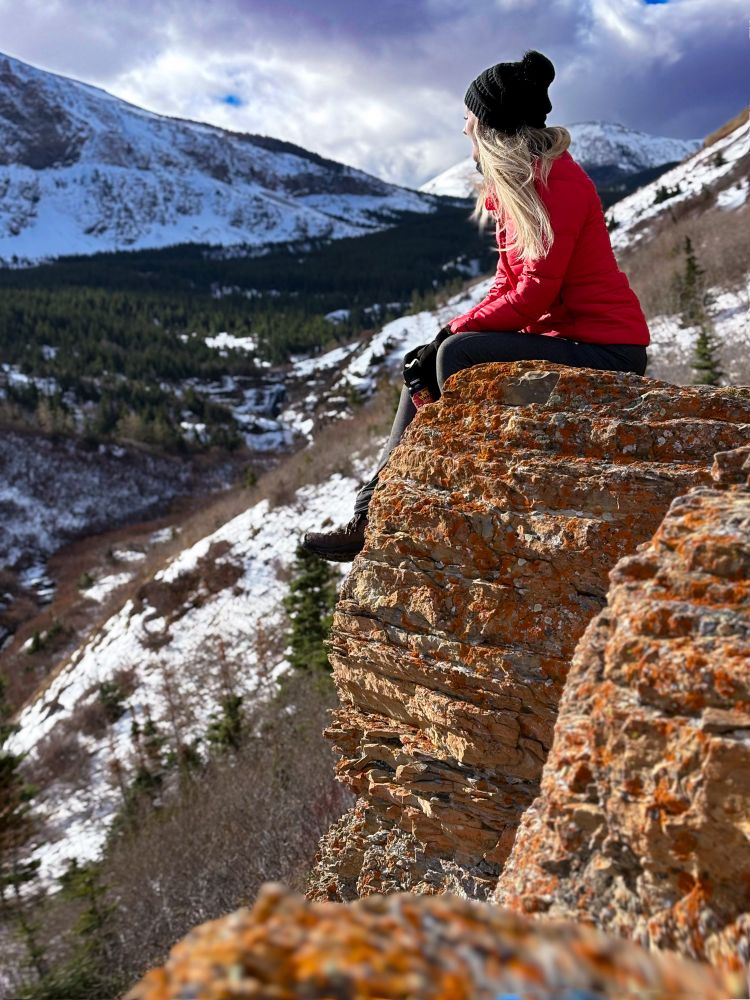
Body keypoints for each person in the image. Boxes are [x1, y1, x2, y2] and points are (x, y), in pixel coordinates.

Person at [302, 49, 650, 563]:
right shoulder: (523, 184)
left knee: (454, 355)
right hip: (573, 342)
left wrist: (453, 336)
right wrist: (447, 329)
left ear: (492, 126)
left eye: (470, 118)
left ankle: (423, 494)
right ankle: (372, 508)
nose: (464, 128)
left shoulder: (558, 185)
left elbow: (534, 295)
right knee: (431, 357)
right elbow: (507, 283)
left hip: (610, 351)